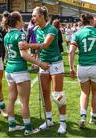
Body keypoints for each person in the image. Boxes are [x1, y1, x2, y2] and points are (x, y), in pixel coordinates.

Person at [20, 6, 67, 134]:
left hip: (56, 64)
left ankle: (63, 122)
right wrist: (37, 61)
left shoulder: (52, 29)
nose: (32, 18)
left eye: (34, 15)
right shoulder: (35, 29)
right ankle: (49, 120)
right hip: (43, 65)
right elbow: (37, 48)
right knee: (45, 93)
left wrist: (28, 45)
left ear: (41, 16)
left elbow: (45, 44)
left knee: (58, 95)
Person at [4, 11, 49, 135]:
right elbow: (23, 55)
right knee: (24, 102)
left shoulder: (6, 35)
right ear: (18, 21)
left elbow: (8, 55)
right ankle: (28, 128)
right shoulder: (20, 34)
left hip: (9, 69)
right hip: (19, 70)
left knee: (11, 99)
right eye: (22, 19)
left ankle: (12, 125)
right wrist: (40, 64)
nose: (23, 21)